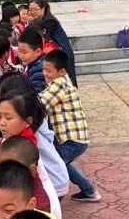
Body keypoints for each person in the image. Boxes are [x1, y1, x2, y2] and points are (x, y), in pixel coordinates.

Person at [0, 78, 68, 211]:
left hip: (50, 190)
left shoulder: (23, 146)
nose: (2, 123)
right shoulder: (19, 134)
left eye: (8, 117)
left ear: (27, 121)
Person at [40, 49, 100, 202]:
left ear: (61, 71)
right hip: (74, 138)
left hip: (71, 139)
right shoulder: (61, 81)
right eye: (43, 69)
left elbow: (40, 103)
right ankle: (89, 190)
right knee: (60, 163)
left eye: (49, 71)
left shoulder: (59, 84)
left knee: (56, 164)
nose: (45, 73)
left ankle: (54, 199)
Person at [27, 0, 76, 85]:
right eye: (30, 10)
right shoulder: (41, 20)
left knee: (67, 79)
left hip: (62, 53)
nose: (32, 12)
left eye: (35, 9)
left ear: (43, 9)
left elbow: (43, 38)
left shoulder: (49, 21)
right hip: (55, 52)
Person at [16, 27, 46, 93]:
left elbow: (34, 93)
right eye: (19, 51)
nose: (21, 56)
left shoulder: (40, 69)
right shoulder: (32, 62)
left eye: (24, 52)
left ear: (38, 52)